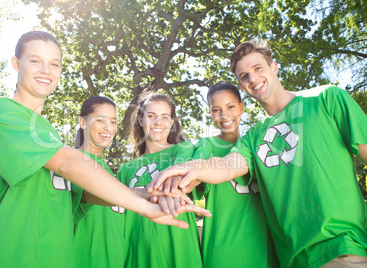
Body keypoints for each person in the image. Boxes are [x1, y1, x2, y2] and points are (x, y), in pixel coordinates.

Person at [0, 31, 210, 267]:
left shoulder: (48, 134)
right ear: (16, 63)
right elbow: (67, 162)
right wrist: (145, 207)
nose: (46, 70)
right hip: (8, 256)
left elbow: (79, 194)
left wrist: (143, 193)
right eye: (35, 61)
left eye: (54, 64)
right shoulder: (1, 112)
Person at [148, 41, 367, 268]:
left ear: (274, 67)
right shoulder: (253, 136)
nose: (252, 78)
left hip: (343, 248)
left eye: (258, 68)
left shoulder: (326, 99)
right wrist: (193, 168)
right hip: (292, 260)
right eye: (244, 76)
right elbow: (229, 165)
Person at [193, 81, 278, 267]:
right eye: (216, 109)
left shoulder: (259, 142)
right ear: (210, 113)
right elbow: (195, 171)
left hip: (266, 247)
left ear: (241, 107)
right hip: (223, 249)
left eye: (230, 106)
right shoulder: (207, 146)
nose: (224, 115)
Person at [117, 93, 203, 268]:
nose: (158, 122)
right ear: (140, 120)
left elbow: (178, 182)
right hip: (135, 254)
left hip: (178, 251)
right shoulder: (125, 170)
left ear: (172, 122)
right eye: (151, 116)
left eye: (165, 117)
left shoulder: (183, 150)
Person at [72, 96, 125, 268]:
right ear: (83, 122)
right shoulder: (71, 163)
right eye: (100, 120)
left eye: (113, 121)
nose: (108, 128)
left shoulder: (108, 172)